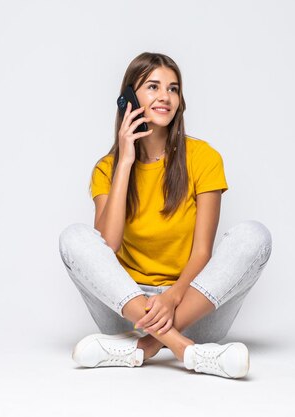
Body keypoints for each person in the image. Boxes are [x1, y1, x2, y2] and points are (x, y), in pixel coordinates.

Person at [58, 52, 272, 379]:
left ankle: (142, 347)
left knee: (255, 235)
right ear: (128, 98)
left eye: (173, 89)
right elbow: (107, 244)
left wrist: (173, 297)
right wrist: (126, 160)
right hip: (126, 308)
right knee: (73, 237)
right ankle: (184, 350)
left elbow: (202, 251)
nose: (165, 97)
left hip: (191, 306)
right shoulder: (107, 169)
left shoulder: (203, 157)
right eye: (153, 87)